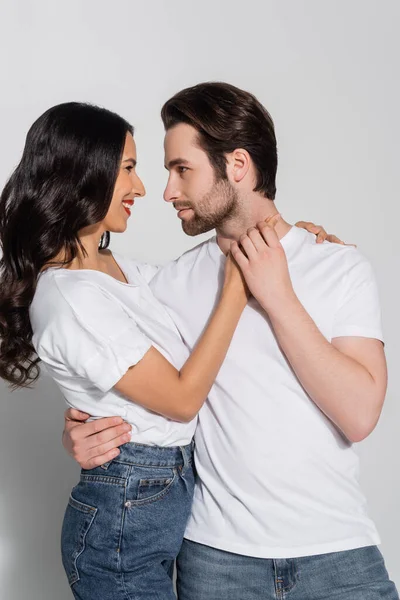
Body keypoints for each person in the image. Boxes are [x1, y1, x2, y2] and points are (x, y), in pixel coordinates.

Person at [64, 82, 398, 599]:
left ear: (237, 166)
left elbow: (359, 414)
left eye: (182, 169)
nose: (167, 191)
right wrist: (82, 427)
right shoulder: (168, 283)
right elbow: (79, 314)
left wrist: (279, 295)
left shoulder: (338, 267)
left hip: (338, 557)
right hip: (217, 565)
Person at [0, 101, 256, 599]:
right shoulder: (69, 298)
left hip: (158, 497)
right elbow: (181, 400)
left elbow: (215, 255)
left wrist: (299, 241)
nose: (140, 188)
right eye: (129, 170)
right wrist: (236, 292)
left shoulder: (123, 272)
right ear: (84, 172)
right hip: (124, 512)